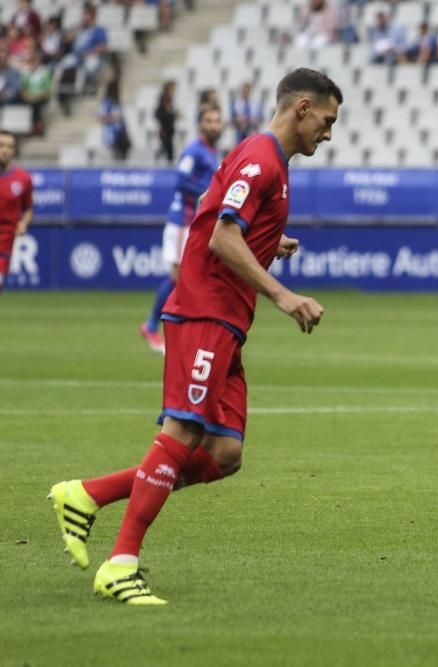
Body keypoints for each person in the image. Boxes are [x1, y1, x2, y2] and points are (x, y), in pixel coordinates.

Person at [48, 68, 342, 605]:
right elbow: (222, 240)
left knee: (225, 453)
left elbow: (221, 220)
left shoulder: (265, 160)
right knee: (183, 433)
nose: (329, 133)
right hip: (206, 311)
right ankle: (121, 563)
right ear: (303, 108)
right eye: (327, 120)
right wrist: (283, 295)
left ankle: (87, 494)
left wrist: (270, 238)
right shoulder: (262, 159)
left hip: (227, 319)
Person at [139, 105, 223, 354]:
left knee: (190, 276)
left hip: (193, 223)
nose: (214, 125)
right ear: (200, 124)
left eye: (217, 121)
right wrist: (208, 194)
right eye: (209, 120)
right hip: (182, 222)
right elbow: (181, 180)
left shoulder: (211, 151)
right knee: (179, 276)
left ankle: (178, 327)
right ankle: (152, 325)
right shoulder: (195, 151)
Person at [0, 130, 33, 295]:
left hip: (5, 241)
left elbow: (28, 208)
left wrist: (23, 223)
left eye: (9, 147)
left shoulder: (23, 178)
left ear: (14, 151)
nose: (5, 150)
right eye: (1, 145)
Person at [154, 80, 177, 162]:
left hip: (168, 127)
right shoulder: (165, 97)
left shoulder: (168, 97)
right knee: (167, 146)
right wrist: (174, 114)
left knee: (166, 146)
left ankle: (161, 157)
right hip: (166, 127)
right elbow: (168, 110)